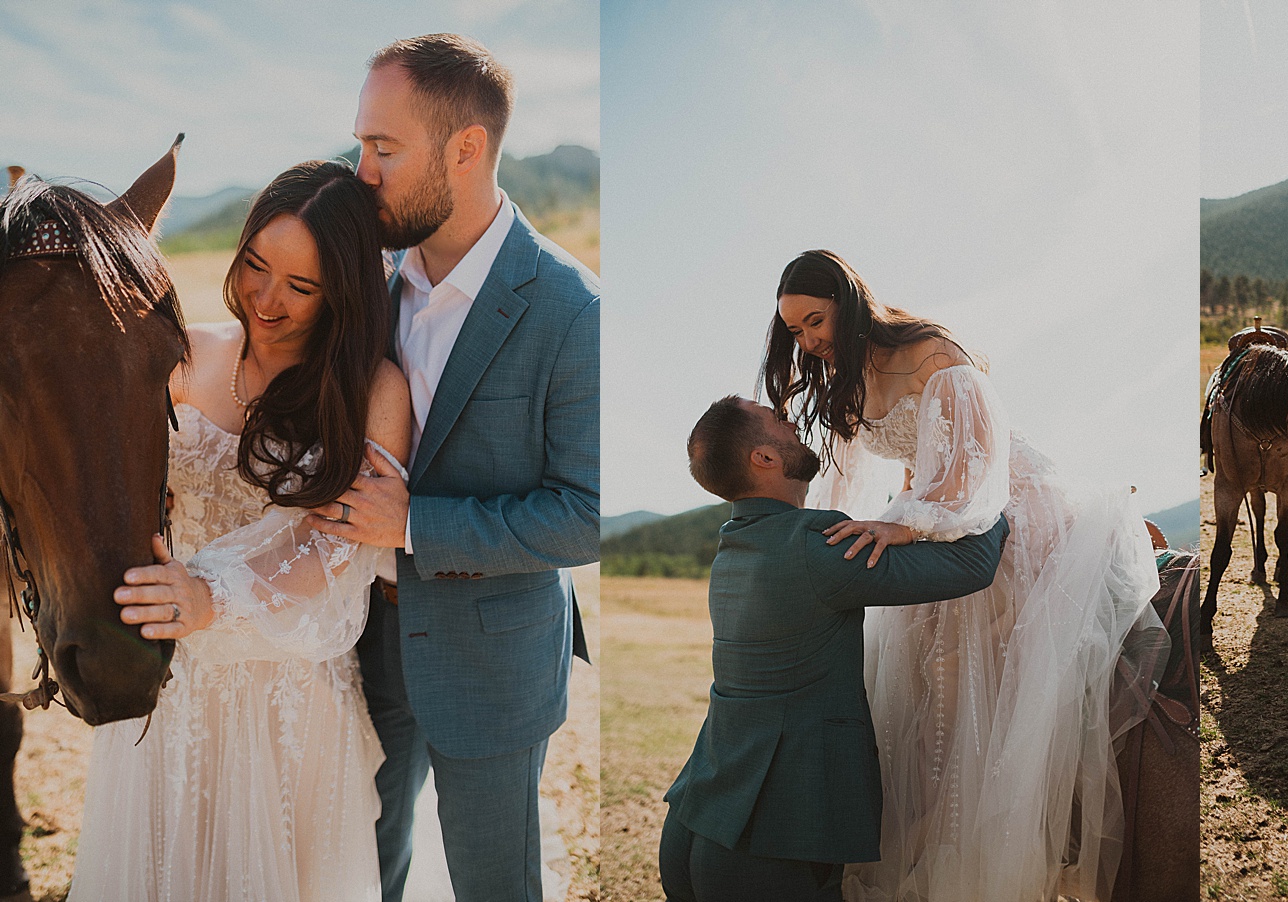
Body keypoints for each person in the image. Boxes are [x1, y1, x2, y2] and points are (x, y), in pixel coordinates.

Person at [763, 250, 1164, 901]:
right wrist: (807, 548)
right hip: (929, 513)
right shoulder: (847, 377)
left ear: (849, 302)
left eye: (815, 322)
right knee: (916, 687)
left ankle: (1002, 849)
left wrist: (906, 520)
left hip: (1009, 510)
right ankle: (920, 850)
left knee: (980, 679)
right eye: (796, 333)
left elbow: (975, 471)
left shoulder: (931, 352)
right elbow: (844, 487)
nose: (808, 342)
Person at [303, 34, 601, 902]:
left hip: (492, 660)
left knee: (493, 885)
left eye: (383, 149)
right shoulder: (369, 278)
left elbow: (582, 514)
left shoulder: (572, 311)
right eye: (361, 144)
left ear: (465, 149)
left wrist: (412, 525)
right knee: (364, 870)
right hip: (361, 641)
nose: (361, 171)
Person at [71, 160, 412, 901]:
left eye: (301, 285)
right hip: (169, 678)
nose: (266, 297)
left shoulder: (372, 390)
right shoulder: (183, 353)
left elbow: (335, 552)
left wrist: (212, 602)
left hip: (285, 685)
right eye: (256, 265)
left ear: (342, 293)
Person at [661, 397, 1010, 902]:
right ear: (765, 458)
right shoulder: (811, 544)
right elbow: (973, 566)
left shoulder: (734, 545)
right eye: (779, 422)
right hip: (772, 836)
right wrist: (988, 492)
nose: (793, 424)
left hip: (697, 816)